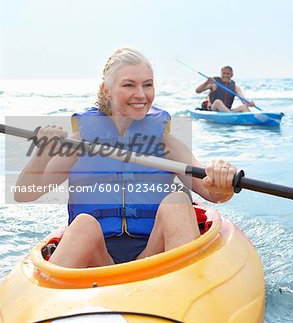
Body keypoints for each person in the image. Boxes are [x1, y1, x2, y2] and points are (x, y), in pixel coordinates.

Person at [15, 48, 237, 269]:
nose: (141, 94)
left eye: (147, 85)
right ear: (106, 89)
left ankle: (187, 289)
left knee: (178, 201)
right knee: (83, 224)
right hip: (97, 262)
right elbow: (24, 194)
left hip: (156, 255)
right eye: (129, 85)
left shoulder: (164, 143)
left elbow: (211, 193)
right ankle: (55, 295)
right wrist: (41, 154)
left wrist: (221, 178)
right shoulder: (80, 142)